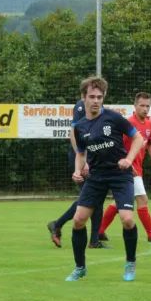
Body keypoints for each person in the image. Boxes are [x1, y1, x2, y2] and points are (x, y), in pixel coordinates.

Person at [64, 76, 144, 282]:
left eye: (100, 97)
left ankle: (130, 262)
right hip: (96, 177)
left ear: (104, 97)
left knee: (127, 220)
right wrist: (77, 170)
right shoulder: (80, 126)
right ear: (83, 98)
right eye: (91, 96)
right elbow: (81, 153)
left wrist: (129, 159)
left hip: (120, 175)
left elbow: (138, 138)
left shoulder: (113, 118)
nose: (96, 100)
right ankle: (80, 267)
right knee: (79, 220)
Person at [98, 92, 151, 243]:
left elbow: (150, 145)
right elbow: (116, 147)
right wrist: (127, 163)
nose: (145, 109)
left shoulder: (149, 124)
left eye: (148, 106)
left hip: (137, 169)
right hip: (128, 170)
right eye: (142, 105)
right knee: (143, 200)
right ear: (135, 106)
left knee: (118, 203)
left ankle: (99, 231)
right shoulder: (128, 124)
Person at [46, 98, 111, 249]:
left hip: (93, 160)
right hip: (83, 160)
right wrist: (83, 161)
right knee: (91, 197)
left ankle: (93, 240)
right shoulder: (82, 106)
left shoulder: (100, 109)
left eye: (100, 94)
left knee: (96, 198)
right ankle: (59, 225)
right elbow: (74, 134)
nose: (97, 98)